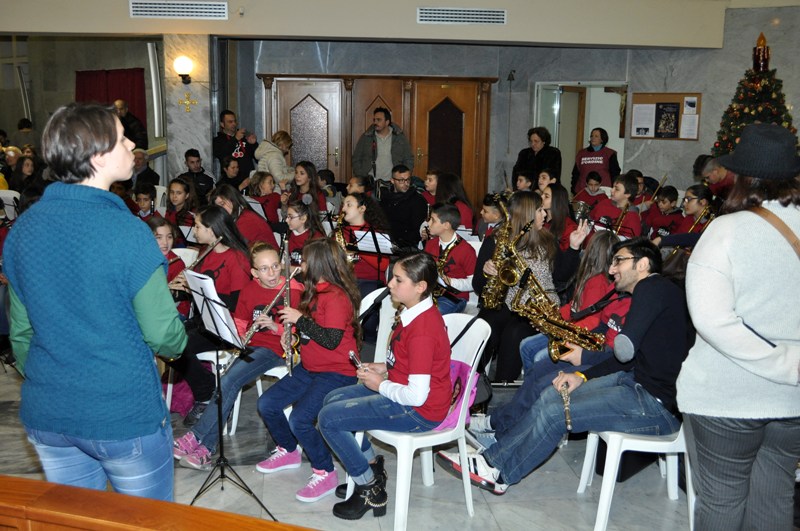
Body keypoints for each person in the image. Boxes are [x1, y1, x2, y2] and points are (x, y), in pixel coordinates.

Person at [3, 102, 186, 500]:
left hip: (49, 410)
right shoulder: (128, 231)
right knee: (145, 525)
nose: (132, 144)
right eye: (122, 138)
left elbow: (20, 333)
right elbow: (164, 334)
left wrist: (54, 377)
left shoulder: (23, 229)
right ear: (97, 156)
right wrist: (175, 348)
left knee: (78, 522)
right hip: (121, 411)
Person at [439, 238, 688, 495]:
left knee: (555, 413)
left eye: (619, 261)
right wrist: (581, 375)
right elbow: (627, 359)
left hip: (655, 406)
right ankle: (492, 459)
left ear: (643, 264)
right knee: (551, 394)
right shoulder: (656, 292)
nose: (612, 268)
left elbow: (624, 351)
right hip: (633, 382)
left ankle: (499, 472)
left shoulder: (652, 287)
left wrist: (600, 351)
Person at [677, 123, 800, 531]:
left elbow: (712, 320)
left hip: (726, 396)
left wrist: (781, 362)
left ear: (741, 175)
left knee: (722, 503)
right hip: (792, 400)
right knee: (773, 501)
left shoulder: (725, 230)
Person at [318, 252, 452, 520]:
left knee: (328, 419)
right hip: (401, 389)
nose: (390, 283)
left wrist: (380, 385)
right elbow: (411, 363)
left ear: (420, 286)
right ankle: (369, 466)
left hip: (419, 411)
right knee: (332, 398)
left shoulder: (423, 330)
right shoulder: (414, 311)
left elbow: (416, 395)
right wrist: (384, 367)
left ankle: (370, 489)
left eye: (398, 280)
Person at [174, 241, 304, 470]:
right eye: (264, 269)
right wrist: (240, 336)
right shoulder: (250, 290)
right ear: (254, 272)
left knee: (228, 381)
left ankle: (196, 437)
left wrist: (274, 327)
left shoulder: (292, 290)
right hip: (252, 347)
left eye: (275, 266)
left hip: (276, 349)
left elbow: (298, 331)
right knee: (228, 383)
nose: (272, 273)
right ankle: (205, 450)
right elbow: (241, 321)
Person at [256, 238, 360, 503]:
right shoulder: (314, 291)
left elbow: (331, 340)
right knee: (267, 404)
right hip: (311, 366)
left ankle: (326, 471)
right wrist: (291, 336)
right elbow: (311, 333)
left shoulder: (335, 297)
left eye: (303, 261)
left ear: (318, 264)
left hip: (338, 371)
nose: (299, 265)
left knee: (300, 420)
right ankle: (289, 450)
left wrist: (299, 319)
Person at [474, 191, 586, 382]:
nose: (545, 214)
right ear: (526, 214)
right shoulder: (495, 240)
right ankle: (473, 379)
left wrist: (574, 248)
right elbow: (477, 285)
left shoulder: (547, 239)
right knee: (484, 323)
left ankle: (502, 385)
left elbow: (561, 276)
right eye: (540, 210)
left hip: (538, 307)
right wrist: (486, 271)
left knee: (513, 333)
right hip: (507, 303)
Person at [167, 205, 252, 426]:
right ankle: (208, 387)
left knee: (179, 345)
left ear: (212, 229)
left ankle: (206, 394)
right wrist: (179, 290)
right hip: (205, 320)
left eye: (197, 226)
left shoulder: (237, 258)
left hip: (227, 326)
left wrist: (196, 290)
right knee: (164, 340)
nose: (194, 231)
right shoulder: (206, 253)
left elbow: (238, 303)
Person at [423, 203, 477, 315]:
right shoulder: (430, 244)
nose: (428, 223)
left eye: (433, 220)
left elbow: (473, 282)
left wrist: (451, 282)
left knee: (433, 314)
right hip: (431, 292)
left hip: (455, 297)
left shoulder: (466, 250)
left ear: (446, 225)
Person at [340, 192, 392, 297]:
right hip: (344, 279)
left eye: (348, 205)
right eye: (343, 205)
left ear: (362, 209)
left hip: (369, 281)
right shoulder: (340, 232)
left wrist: (357, 248)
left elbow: (383, 265)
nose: (343, 209)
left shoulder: (375, 233)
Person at [352, 107, 414, 182]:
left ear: (387, 122)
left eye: (379, 120)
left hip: (393, 182)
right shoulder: (366, 137)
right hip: (370, 182)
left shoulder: (399, 137)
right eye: (374, 120)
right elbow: (356, 158)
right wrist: (361, 176)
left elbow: (408, 158)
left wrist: (403, 178)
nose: (375, 122)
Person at [147, 217, 190, 318]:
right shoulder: (143, 259)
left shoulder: (177, 263)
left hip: (174, 311)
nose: (165, 243)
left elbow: (179, 301)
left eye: (169, 237)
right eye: (159, 237)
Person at [211, 183, 277, 246]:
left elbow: (237, 248)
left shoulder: (245, 220)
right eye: (218, 207)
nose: (221, 209)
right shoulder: (242, 215)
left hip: (266, 253)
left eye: (222, 204)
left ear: (232, 200)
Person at [379, 164, 428, 249]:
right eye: (401, 180)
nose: (406, 183)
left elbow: (418, 230)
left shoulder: (417, 200)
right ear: (392, 181)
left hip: (408, 245)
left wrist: (398, 244)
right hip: (387, 241)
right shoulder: (385, 198)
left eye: (408, 179)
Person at [589, 172, 641, 240]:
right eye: (613, 187)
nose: (612, 190)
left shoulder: (632, 217)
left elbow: (628, 243)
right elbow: (590, 220)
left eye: (617, 189)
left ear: (627, 194)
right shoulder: (604, 203)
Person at [571, 127, 621, 193]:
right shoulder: (581, 153)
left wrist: (614, 189)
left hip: (604, 190)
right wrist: (573, 188)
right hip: (582, 190)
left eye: (596, 136)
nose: (593, 138)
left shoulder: (609, 153)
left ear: (602, 139)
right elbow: (575, 173)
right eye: (591, 136)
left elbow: (615, 174)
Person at [212, 109, 257, 181]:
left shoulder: (244, 137)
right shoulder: (218, 140)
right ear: (222, 124)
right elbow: (221, 154)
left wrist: (254, 144)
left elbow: (257, 158)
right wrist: (235, 139)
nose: (234, 124)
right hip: (231, 181)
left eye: (235, 121)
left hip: (248, 179)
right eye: (230, 122)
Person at [285, 198, 326, 264]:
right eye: (287, 216)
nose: (286, 220)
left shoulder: (316, 239)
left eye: (291, 217)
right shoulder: (290, 235)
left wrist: (290, 268)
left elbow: (314, 266)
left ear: (303, 218)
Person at [542, 182, 577, 252]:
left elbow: (567, 254)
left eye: (546, 196)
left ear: (557, 200)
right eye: (542, 194)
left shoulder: (569, 226)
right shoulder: (539, 219)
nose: (541, 197)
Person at [164, 177, 198, 247]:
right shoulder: (170, 209)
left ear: (187, 195)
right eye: (172, 192)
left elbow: (191, 240)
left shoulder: (191, 214)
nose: (174, 196)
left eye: (178, 193)